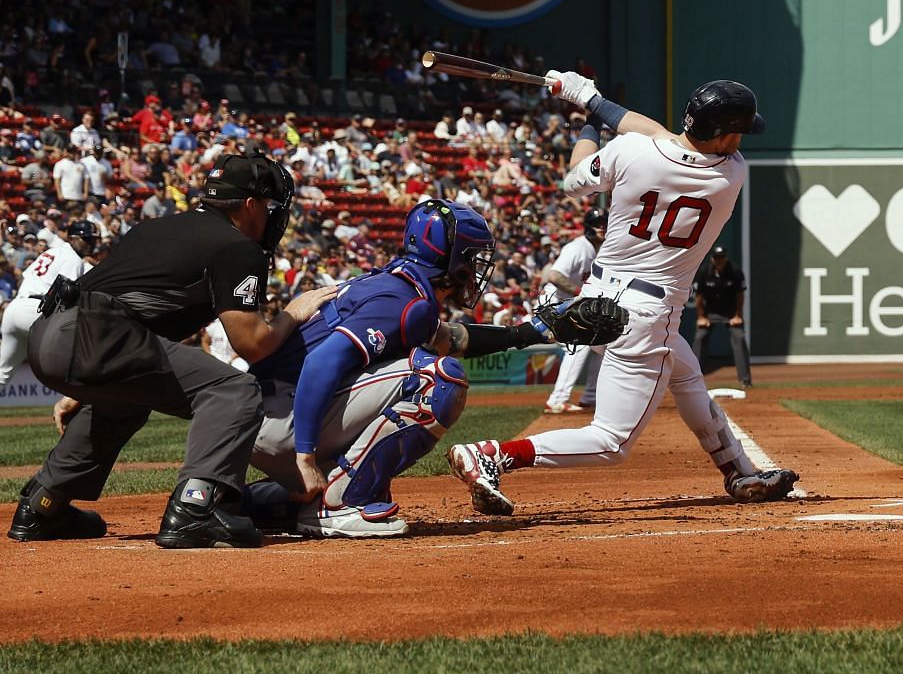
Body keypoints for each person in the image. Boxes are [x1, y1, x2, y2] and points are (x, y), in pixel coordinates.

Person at [447, 76, 800, 515]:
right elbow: (661, 136)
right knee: (611, 441)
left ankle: (740, 471)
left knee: (688, 378)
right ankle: (491, 455)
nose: (742, 137)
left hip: (595, 302)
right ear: (723, 133)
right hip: (647, 314)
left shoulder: (628, 152)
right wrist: (594, 102)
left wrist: (589, 119)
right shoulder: (731, 173)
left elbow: (579, 177)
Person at [9, 147, 335, 549]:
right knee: (233, 390)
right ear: (250, 204)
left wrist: (88, 382)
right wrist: (293, 313)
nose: (271, 216)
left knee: (123, 404)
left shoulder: (156, 227)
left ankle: (42, 506)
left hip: (51, 335)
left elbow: (125, 305)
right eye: (269, 206)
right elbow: (252, 344)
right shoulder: (236, 245)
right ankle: (195, 507)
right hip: (94, 338)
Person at [241, 198, 582, 539]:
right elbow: (321, 362)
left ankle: (255, 502)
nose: (476, 269)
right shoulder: (404, 299)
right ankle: (340, 503)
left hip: (263, 415)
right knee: (439, 378)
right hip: (284, 419)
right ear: (451, 256)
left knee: (381, 442)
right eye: (472, 257)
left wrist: (530, 331)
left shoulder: (397, 285)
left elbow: (452, 338)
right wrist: (305, 456)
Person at [0, 222, 104, 391]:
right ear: (72, 238)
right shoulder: (73, 258)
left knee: (2, 374)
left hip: (14, 309)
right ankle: (84, 399)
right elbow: (66, 294)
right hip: (36, 310)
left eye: (92, 239)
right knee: (82, 345)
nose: (90, 243)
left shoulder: (52, 252)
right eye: (86, 239)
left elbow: (24, 278)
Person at [541, 208, 607, 415]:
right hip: (555, 303)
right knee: (578, 346)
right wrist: (581, 292)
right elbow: (554, 276)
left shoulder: (602, 249)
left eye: (605, 222)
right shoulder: (578, 247)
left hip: (573, 305)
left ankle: (590, 396)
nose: (602, 227)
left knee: (602, 343)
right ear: (588, 227)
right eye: (598, 223)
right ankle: (557, 400)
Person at [694, 245, 751, 389]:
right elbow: (699, 296)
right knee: (701, 337)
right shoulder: (704, 272)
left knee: (739, 337)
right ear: (712, 258)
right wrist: (701, 317)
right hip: (710, 313)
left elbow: (740, 294)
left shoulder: (734, 271)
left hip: (730, 313)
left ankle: (745, 380)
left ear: (725, 258)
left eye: (721, 258)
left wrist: (738, 315)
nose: (719, 260)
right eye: (716, 258)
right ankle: (693, 380)